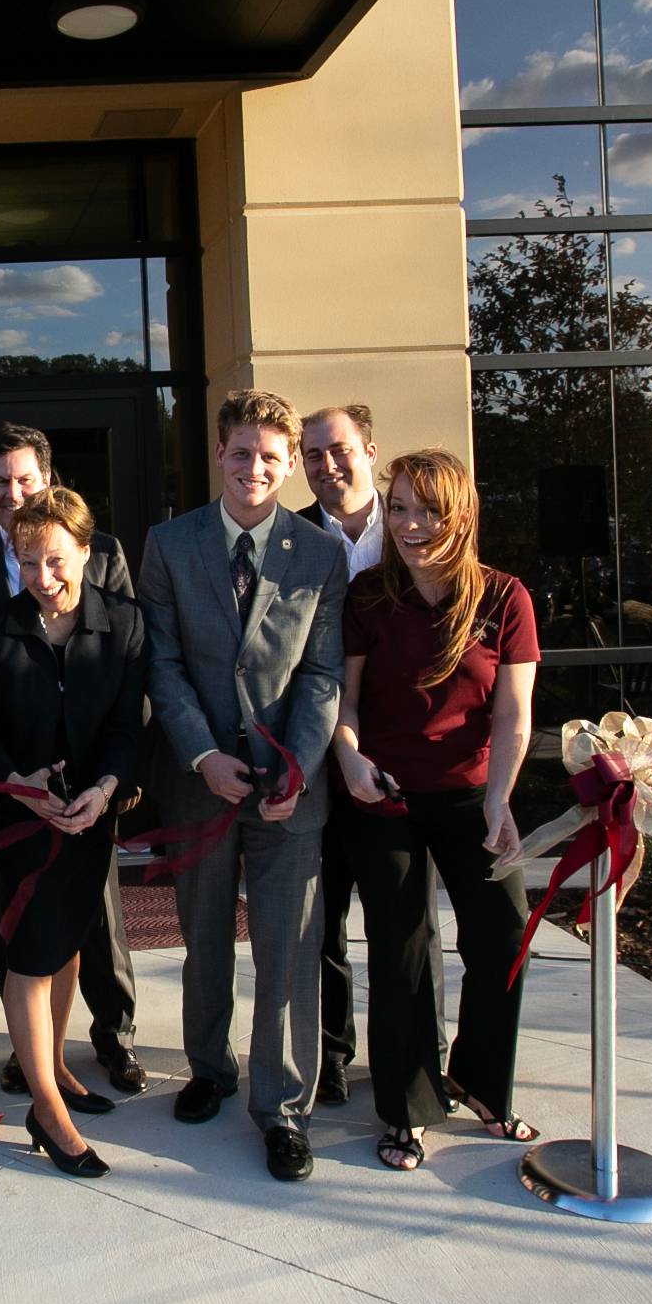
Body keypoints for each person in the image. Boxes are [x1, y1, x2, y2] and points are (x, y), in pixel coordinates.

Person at [141, 389, 347, 1183]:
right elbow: (162, 662)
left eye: (269, 456)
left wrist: (294, 767)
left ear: (289, 463)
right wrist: (200, 756)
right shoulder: (169, 543)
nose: (253, 468)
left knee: (288, 952)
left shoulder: (320, 554)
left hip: (290, 789)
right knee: (203, 940)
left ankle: (282, 1107)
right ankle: (209, 1069)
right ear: (218, 454)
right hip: (201, 783)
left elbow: (323, 672)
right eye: (240, 452)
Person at [332, 448, 543, 1173]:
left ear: (460, 514)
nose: (411, 524)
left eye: (426, 509)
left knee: (502, 938)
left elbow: (515, 715)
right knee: (402, 949)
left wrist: (499, 801)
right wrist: (350, 759)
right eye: (398, 509)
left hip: (470, 795)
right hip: (383, 796)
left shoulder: (504, 598)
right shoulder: (366, 596)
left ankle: (480, 1082)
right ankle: (407, 1109)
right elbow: (347, 703)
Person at [0, 485, 149, 1180]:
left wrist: (103, 791)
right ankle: (46, 1108)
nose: (46, 577)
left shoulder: (124, 622)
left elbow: (131, 724)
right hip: (22, 819)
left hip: (91, 817)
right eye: (30, 562)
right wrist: (22, 782)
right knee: (31, 957)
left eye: (59, 560)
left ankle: (58, 1067)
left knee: (68, 946)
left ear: (88, 551)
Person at [298, 402, 384, 1110]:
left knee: (400, 925)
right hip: (316, 764)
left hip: (399, 765)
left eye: (338, 450)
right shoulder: (291, 538)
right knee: (321, 925)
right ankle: (330, 1056)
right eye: (313, 455)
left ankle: (410, 1056)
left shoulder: (423, 529)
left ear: (369, 450)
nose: (327, 466)